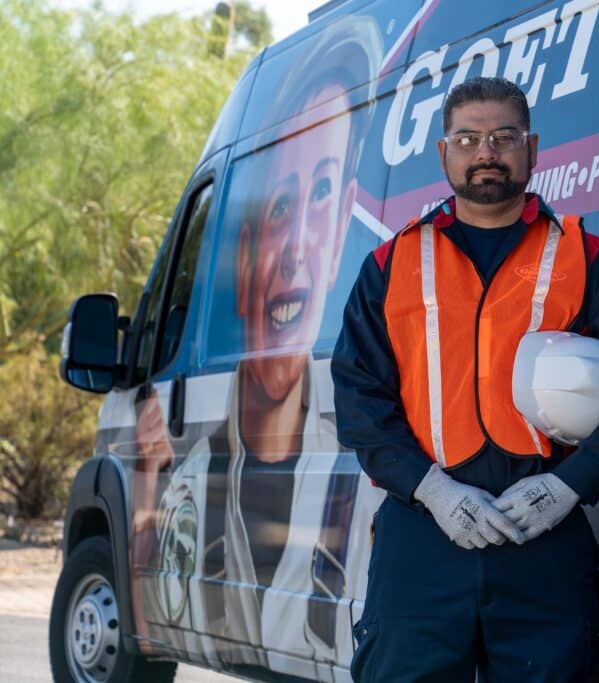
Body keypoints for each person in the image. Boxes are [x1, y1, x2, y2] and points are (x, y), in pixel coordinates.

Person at [331, 76, 599, 682]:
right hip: (422, 542)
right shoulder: (392, 265)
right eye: (467, 138)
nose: (485, 151)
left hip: (543, 541)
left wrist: (570, 487)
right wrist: (434, 493)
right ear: (444, 154)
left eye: (502, 136)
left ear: (532, 148)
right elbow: (359, 398)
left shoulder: (587, 257)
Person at [130, 16, 384, 679]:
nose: (296, 248)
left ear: (339, 238)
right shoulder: (187, 486)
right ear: (241, 252)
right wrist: (150, 485)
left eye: (322, 194)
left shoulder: (380, 474)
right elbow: (148, 622)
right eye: (277, 208)